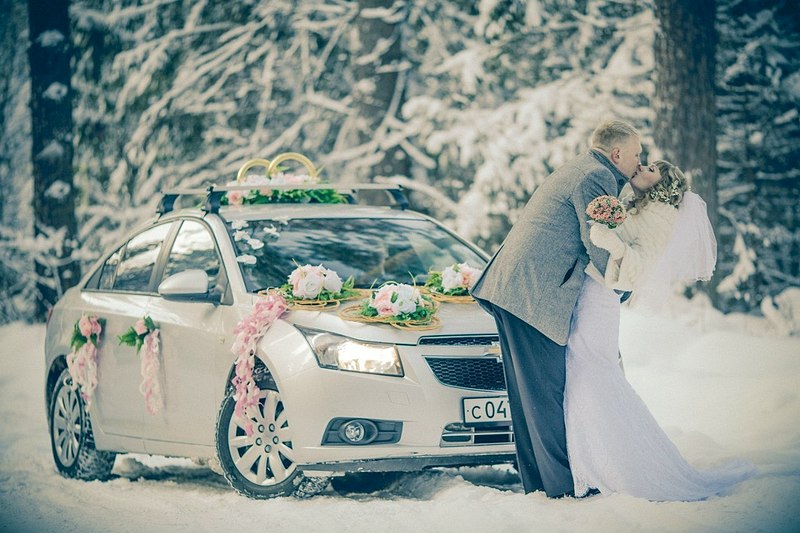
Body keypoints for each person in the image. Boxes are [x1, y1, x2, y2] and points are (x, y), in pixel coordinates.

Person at [471, 119, 643, 498]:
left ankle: (542, 484)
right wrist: (623, 284)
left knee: (530, 394)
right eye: (636, 155)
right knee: (546, 392)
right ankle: (561, 488)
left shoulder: (583, 168)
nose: (639, 162)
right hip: (532, 294)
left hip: (518, 291)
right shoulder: (596, 176)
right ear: (617, 154)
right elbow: (597, 239)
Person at [565, 160, 756, 500]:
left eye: (652, 167)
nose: (642, 167)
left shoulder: (662, 215)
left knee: (589, 372)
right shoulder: (642, 207)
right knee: (585, 371)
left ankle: (608, 464)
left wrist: (609, 241)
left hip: (601, 298)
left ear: (664, 181)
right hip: (592, 290)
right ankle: (593, 459)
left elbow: (639, 267)